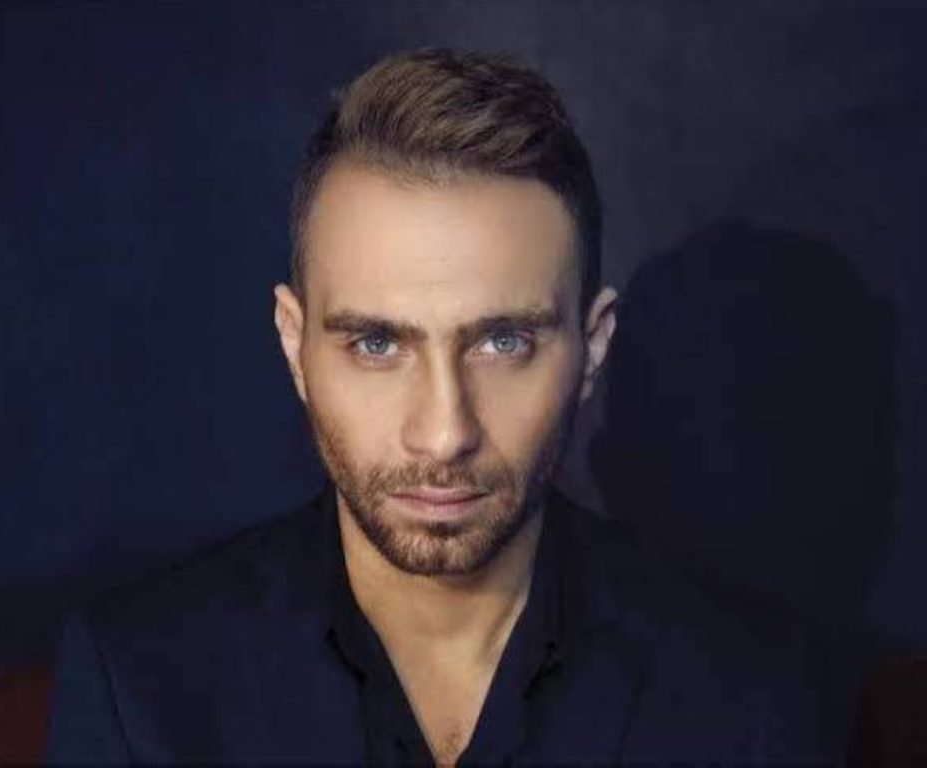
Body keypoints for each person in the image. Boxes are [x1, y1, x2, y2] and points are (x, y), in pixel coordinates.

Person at [46, 47, 829, 764]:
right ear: (294, 345)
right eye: (377, 344)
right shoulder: (140, 683)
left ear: (592, 347)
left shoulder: (750, 692)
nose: (445, 433)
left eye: (503, 342)